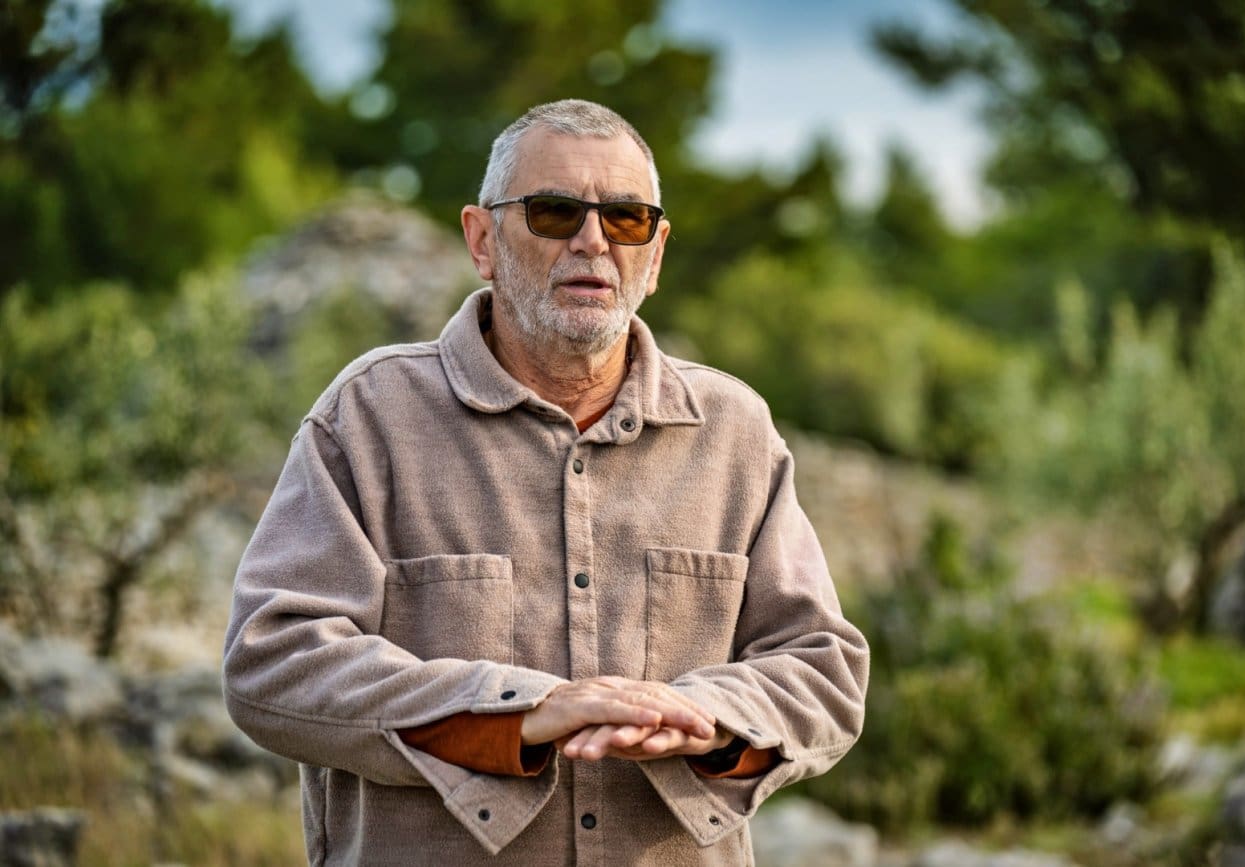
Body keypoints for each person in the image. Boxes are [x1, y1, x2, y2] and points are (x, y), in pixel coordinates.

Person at [223, 98, 869, 866]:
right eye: (555, 211)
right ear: (482, 240)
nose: (593, 240)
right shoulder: (367, 417)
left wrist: (709, 717)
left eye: (626, 218)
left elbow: (824, 668)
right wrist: (515, 712)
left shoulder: (736, 431)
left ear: (656, 255)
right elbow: (274, 658)